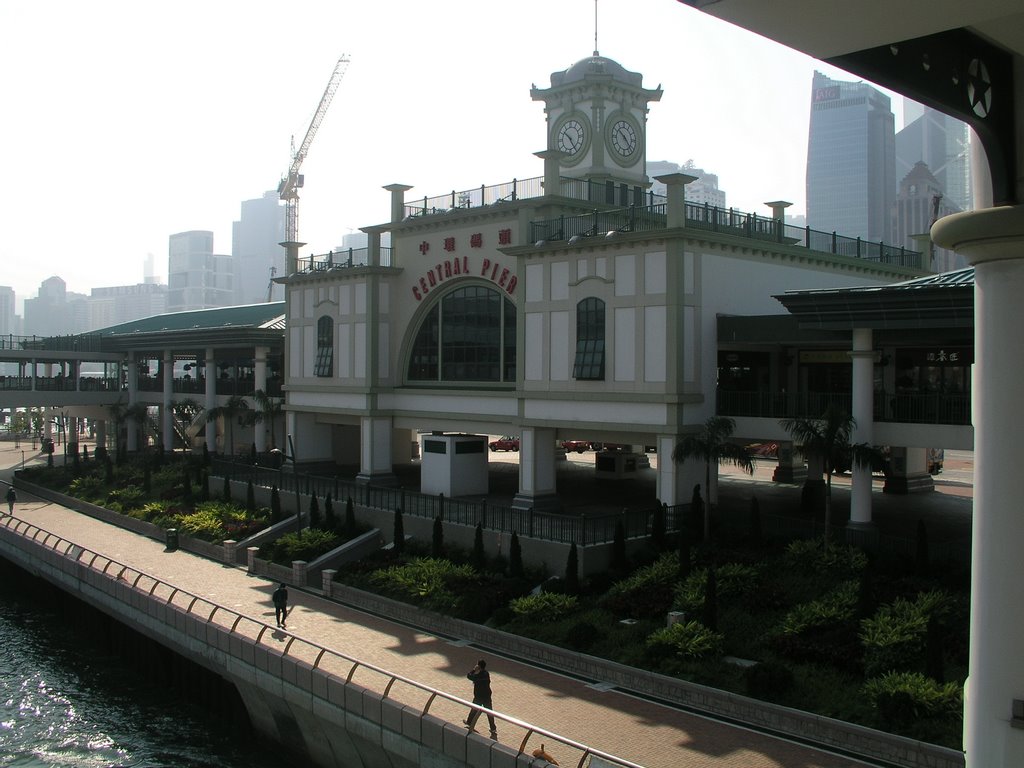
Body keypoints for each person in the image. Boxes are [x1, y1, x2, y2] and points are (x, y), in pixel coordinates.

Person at [463, 659, 497, 739]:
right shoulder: (486, 673)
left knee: (474, 709)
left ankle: (469, 722)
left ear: (479, 666)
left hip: (479, 696)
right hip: (487, 696)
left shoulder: (477, 676)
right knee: (489, 712)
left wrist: (474, 670)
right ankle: (493, 728)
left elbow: (469, 676)